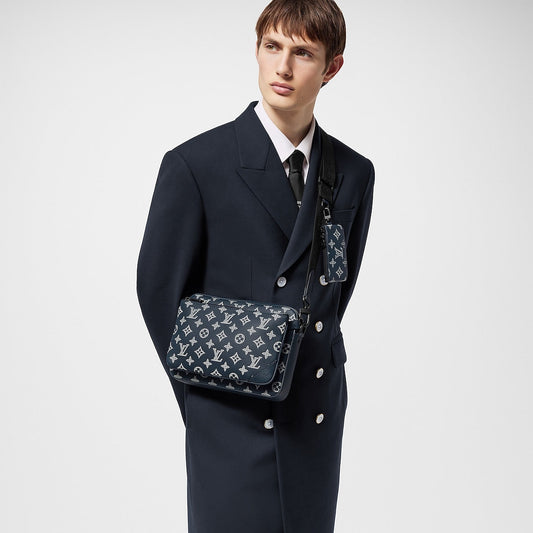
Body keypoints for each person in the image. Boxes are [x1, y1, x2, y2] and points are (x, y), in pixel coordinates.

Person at [136, 0, 375, 531]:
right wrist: (204, 401)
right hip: (228, 419)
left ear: (332, 67)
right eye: (272, 47)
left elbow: (335, 293)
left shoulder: (354, 172)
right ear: (258, 49)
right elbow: (158, 293)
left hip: (313, 416)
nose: (282, 67)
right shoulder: (195, 165)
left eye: (303, 53)